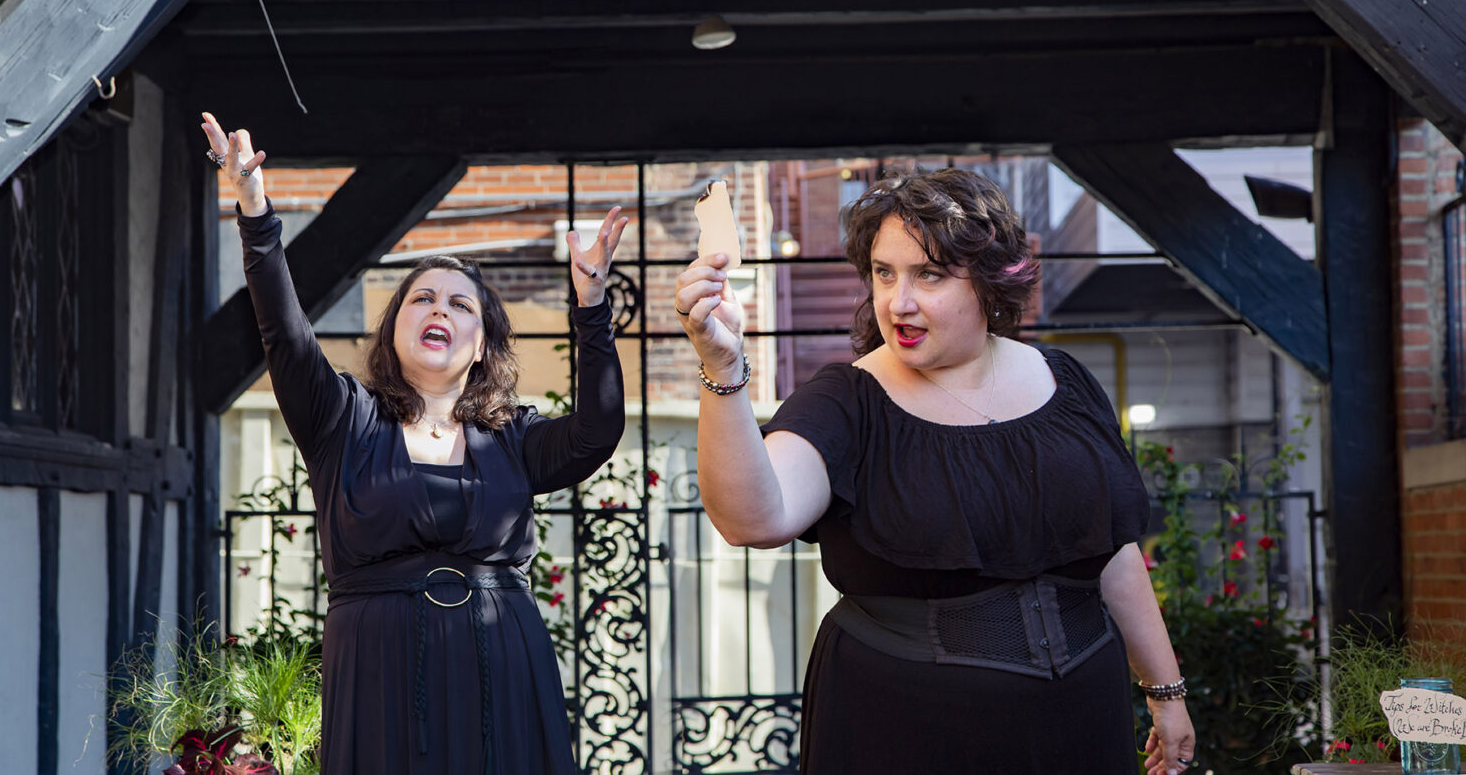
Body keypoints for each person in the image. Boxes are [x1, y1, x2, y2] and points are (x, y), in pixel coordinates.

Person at [674, 168, 1196, 775]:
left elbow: (1112, 549)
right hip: (906, 729)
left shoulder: (1067, 381)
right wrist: (723, 367)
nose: (898, 302)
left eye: (929, 274)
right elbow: (752, 520)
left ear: (990, 281)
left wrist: (1165, 692)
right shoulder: (846, 402)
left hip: (1082, 722)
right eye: (884, 273)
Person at [201, 112, 627, 775]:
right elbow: (285, 335)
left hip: (503, 665)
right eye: (421, 299)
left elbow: (598, 431)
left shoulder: (513, 436)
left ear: (481, 345)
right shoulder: (343, 418)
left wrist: (592, 305)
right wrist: (255, 212)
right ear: (394, 330)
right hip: (379, 670)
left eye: (460, 305)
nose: (439, 310)